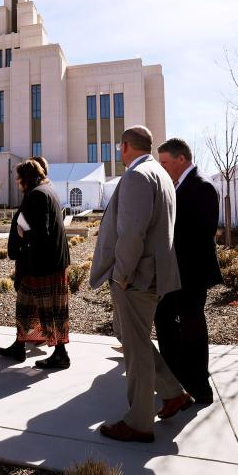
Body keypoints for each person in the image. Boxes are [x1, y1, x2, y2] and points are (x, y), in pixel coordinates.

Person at [90, 126, 187, 443]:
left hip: (135, 278)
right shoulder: (160, 174)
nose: (119, 152)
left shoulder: (136, 175)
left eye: (119, 147)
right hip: (152, 275)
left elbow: (132, 233)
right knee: (137, 342)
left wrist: (120, 275)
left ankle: (139, 422)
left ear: (125, 147)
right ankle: (173, 393)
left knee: (135, 349)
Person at [155, 138, 222, 406]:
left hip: (190, 271)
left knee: (190, 323)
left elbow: (201, 234)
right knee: (170, 321)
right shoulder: (181, 185)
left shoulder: (201, 186)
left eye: (165, 162)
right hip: (179, 271)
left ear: (181, 159)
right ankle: (183, 376)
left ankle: (198, 384)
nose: (163, 167)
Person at [0, 159, 71, 368]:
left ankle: (61, 354)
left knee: (51, 311)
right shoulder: (47, 189)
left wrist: (22, 233)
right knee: (26, 306)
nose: (18, 182)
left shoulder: (37, 195)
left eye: (19, 178)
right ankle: (19, 346)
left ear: (26, 178)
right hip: (42, 262)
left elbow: (41, 232)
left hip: (44, 264)